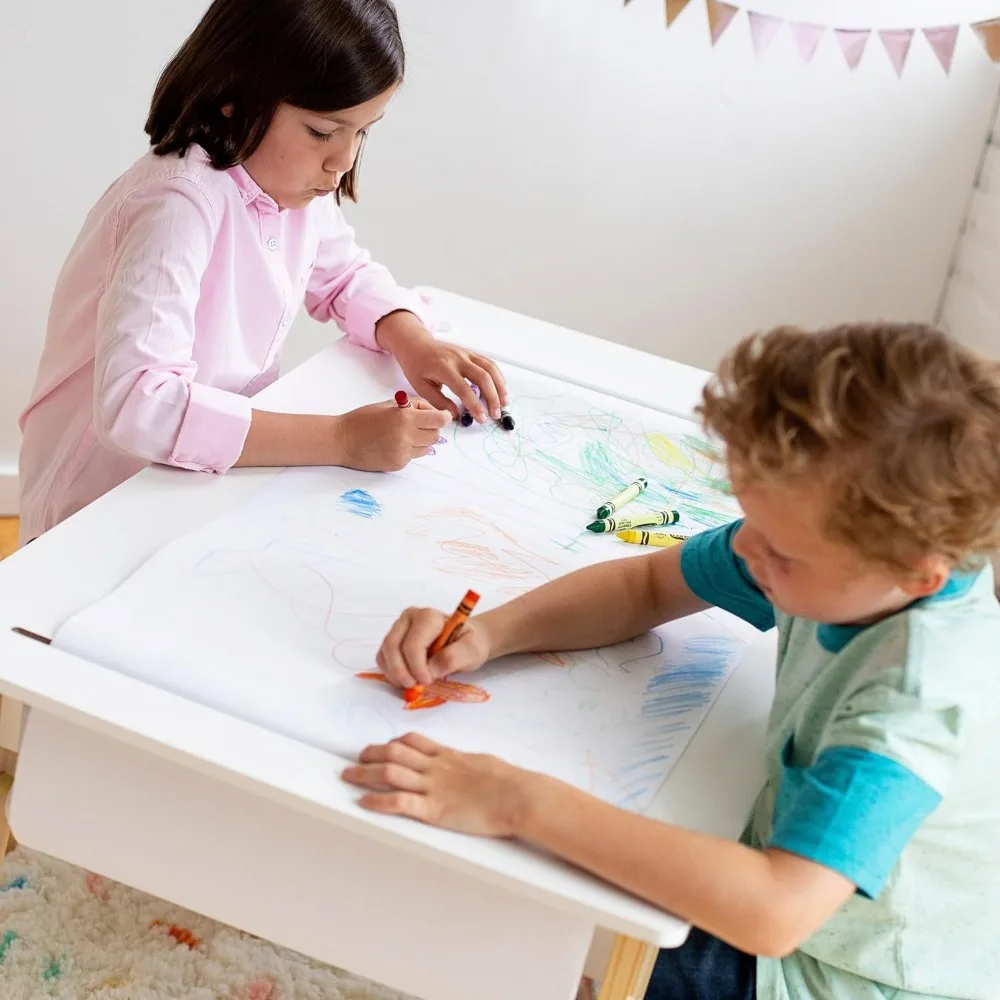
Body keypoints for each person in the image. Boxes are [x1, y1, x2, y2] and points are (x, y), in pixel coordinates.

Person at [344, 323, 1000, 1000]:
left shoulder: (914, 707)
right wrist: (489, 634)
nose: (747, 552)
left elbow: (776, 914)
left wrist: (520, 800)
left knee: (538, 931)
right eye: (750, 519)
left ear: (918, 574)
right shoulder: (837, 554)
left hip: (839, 970)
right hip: (794, 885)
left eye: (780, 549)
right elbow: (647, 587)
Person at [17, 0, 505, 545]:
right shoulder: (178, 203)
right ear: (235, 95)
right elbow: (138, 404)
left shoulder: (292, 190)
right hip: (99, 503)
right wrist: (342, 439)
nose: (342, 160)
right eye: (323, 131)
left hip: (195, 486)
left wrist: (412, 341)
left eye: (362, 132)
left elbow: (344, 276)